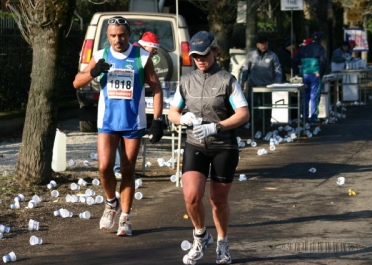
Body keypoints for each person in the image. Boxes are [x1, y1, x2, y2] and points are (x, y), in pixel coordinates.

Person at [72, 16, 164, 236]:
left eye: (121, 35)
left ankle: (125, 218)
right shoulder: (101, 55)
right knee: (104, 167)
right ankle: (111, 203)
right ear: (107, 36)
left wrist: (158, 120)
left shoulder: (142, 56)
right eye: (113, 35)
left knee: (127, 169)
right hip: (108, 121)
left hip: (133, 122)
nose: (117, 39)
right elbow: (76, 81)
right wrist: (93, 72)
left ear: (129, 35)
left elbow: (156, 87)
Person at [168, 31, 249, 264]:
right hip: (195, 144)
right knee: (191, 197)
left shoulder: (227, 80)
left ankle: (222, 242)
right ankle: (201, 235)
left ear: (215, 51)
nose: (200, 59)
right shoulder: (186, 81)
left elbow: (243, 113)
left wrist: (217, 127)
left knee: (218, 200)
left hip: (223, 145)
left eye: (204, 54)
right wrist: (181, 119)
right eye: (195, 56)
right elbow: (173, 111)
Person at [114, 31, 161, 179]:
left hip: (127, 106)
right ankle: (119, 168)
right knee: (118, 136)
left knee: (122, 137)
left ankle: (123, 168)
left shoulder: (142, 56)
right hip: (120, 105)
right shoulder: (139, 56)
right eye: (153, 51)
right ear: (146, 47)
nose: (153, 55)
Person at [240, 32, 282, 124]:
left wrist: (278, 82)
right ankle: (252, 124)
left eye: (266, 43)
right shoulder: (251, 55)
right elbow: (246, 69)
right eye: (262, 44)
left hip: (267, 86)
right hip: (253, 85)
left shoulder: (272, 56)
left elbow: (278, 69)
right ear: (257, 44)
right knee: (252, 105)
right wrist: (243, 81)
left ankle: (267, 123)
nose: (264, 46)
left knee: (267, 106)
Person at [292, 31, 327, 124]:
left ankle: (304, 116)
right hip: (315, 74)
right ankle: (313, 117)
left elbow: (294, 60)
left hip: (304, 74)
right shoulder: (320, 48)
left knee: (305, 96)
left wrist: (297, 73)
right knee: (314, 95)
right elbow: (323, 61)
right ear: (320, 40)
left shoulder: (304, 48)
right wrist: (321, 72)